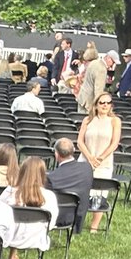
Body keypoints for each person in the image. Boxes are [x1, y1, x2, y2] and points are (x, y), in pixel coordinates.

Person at [2, 156, 58, 259]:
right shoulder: (49, 196)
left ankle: (13, 255)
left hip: (9, 237)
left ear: (22, 171)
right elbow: (50, 225)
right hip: (36, 238)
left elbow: (0, 217)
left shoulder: (9, 192)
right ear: (42, 174)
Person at [77, 93, 121, 232]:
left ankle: (94, 227)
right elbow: (80, 141)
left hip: (104, 163)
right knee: (82, 192)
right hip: (85, 160)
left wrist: (100, 158)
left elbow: (114, 143)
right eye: (102, 103)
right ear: (96, 104)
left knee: (100, 194)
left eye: (108, 103)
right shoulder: (87, 120)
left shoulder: (115, 121)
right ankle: (78, 222)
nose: (105, 105)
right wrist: (90, 157)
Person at [46, 138, 93, 234]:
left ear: (56, 154)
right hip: (78, 217)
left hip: (58, 218)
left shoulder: (52, 177)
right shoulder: (87, 168)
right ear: (74, 151)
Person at [75, 48, 108, 115]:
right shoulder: (100, 67)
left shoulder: (90, 66)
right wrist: (99, 105)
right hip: (89, 101)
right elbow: (98, 89)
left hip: (82, 98)